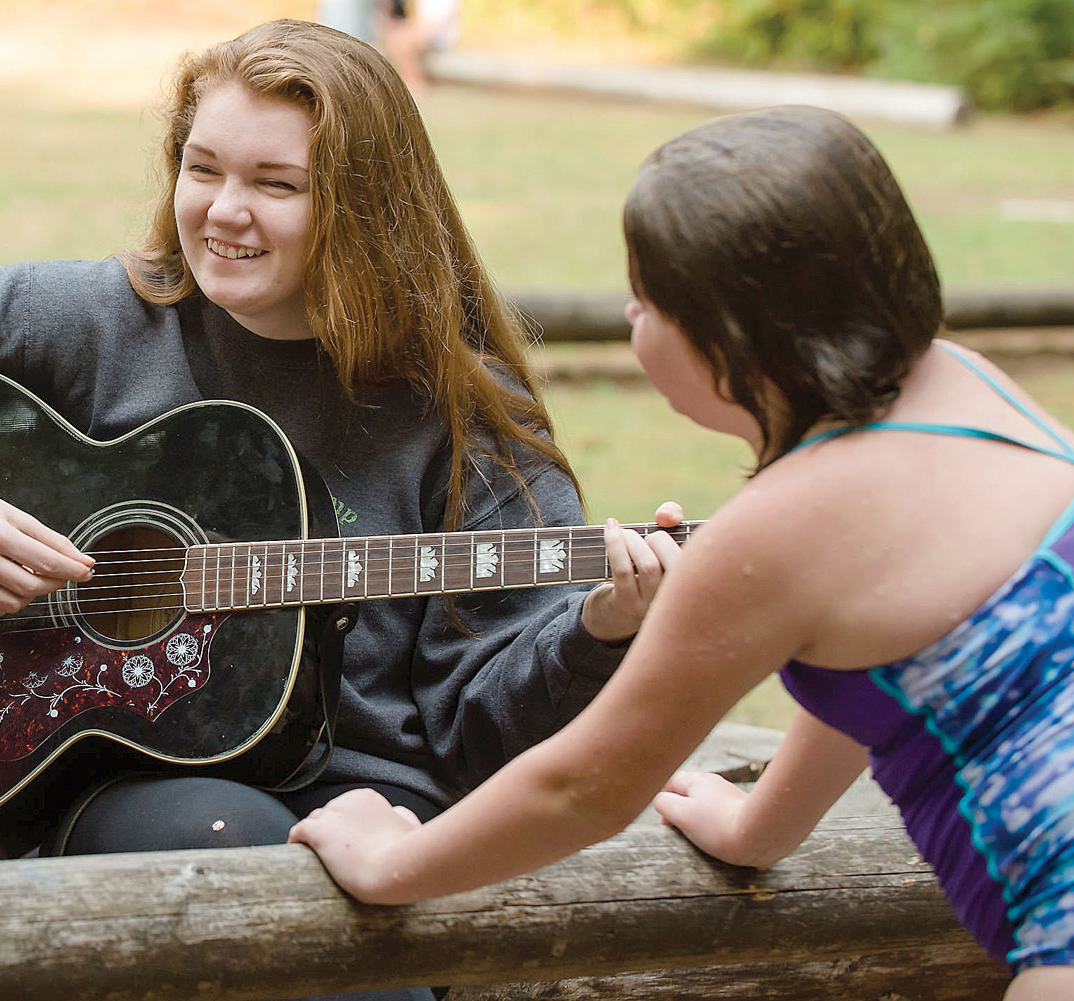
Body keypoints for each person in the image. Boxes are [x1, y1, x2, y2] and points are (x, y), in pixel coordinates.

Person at [0, 21, 673, 992]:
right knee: (211, 844)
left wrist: (599, 627)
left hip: (371, 806)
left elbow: (486, 730)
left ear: (363, 206)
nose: (224, 211)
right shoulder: (103, 318)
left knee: (295, 893)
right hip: (116, 784)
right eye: (202, 167)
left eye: (276, 184)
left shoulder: (463, 413)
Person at [289, 105, 1074, 1000]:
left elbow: (586, 787)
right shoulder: (966, 385)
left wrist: (392, 862)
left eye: (645, 299)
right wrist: (758, 831)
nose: (629, 315)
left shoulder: (775, 530)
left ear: (728, 335)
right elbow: (887, 659)